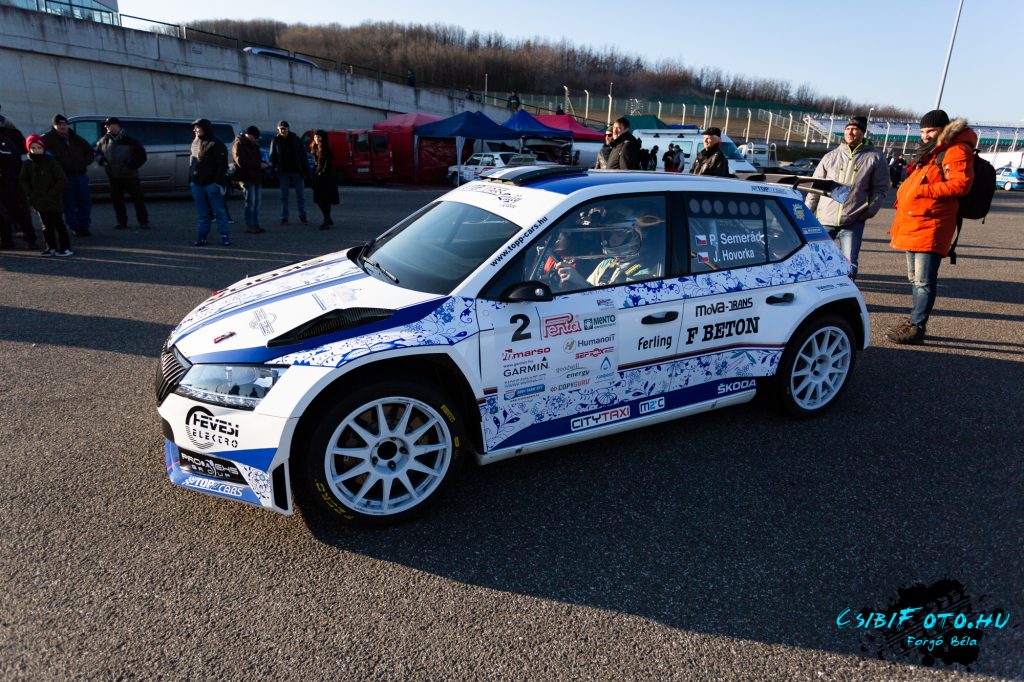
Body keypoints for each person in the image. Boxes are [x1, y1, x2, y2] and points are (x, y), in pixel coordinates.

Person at [886, 109, 976, 345]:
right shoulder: (931, 152)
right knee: (914, 279)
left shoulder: (956, 150)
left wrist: (921, 191)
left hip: (931, 224)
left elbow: (961, 184)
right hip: (916, 222)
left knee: (924, 281)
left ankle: (917, 326)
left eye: (931, 131)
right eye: (923, 131)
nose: (925, 135)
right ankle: (914, 321)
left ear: (943, 130)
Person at [804, 115, 889, 279]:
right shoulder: (830, 156)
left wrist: (868, 211)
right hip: (825, 219)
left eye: (855, 129)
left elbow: (880, 189)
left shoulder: (875, 157)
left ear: (863, 133)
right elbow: (815, 188)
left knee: (849, 263)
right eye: (848, 129)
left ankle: (847, 291)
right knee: (817, 260)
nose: (850, 132)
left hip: (853, 220)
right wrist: (807, 214)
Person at [556, 212, 658, 288]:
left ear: (635, 238)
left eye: (619, 235)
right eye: (610, 234)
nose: (611, 239)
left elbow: (616, 303)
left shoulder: (645, 272)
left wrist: (580, 281)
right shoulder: (606, 264)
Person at [41, 114, 94, 236]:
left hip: (80, 175)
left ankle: (84, 226)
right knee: (68, 203)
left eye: (64, 124)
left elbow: (90, 151)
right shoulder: (48, 139)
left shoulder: (75, 138)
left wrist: (84, 162)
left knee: (85, 201)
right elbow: (41, 154)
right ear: (54, 126)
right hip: (64, 177)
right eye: (59, 124)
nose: (62, 126)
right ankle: (75, 227)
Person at [19, 135, 72, 256]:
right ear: (29, 149)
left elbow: (62, 181)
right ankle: (51, 247)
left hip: (53, 200)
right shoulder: (27, 164)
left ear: (43, 148)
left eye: (39, 147)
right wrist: (30, 193)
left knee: (59, 224)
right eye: (33, 148)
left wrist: (51, 193)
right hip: (38, 200)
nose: (36, 150)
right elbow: (23, 180)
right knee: (46, 226)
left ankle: (65, 248)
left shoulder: (51, 162)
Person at [94, 116, 149, 230]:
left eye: (109, 125)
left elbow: (142, 156)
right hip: (113, 176)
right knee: (117, 201)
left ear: (117, 125)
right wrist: (102, 161)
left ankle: (143, 222)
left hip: (130, 175)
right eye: (106, 125)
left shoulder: (130, 140)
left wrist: (129, 166)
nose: (107, 127)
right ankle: (121, 222)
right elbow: (97, 153)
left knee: (138, 199)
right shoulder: (103, 140)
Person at [188, 118, 230, 246]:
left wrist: (217, 182)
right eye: (194, 127)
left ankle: (225, 237)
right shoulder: (195, 143)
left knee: (219, 212)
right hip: (197, 184)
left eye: (198, 127)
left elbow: (222, 165)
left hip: (212, 184)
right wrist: (191, 180)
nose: (195, 130)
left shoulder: (216, 143)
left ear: (205, 128)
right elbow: (192, 162)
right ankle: (202, 238)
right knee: (203, 214)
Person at [0, 106, 37, 250]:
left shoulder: (10, 135)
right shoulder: (10, 134)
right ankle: (8, 240)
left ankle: (29, 238)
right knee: (7, 213)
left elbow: (19, 158)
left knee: (17, 211)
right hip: (11, 179)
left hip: (11, 180)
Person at [269, 120, 308, 225]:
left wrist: (305, 170)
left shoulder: (296, 139)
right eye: (281, 128)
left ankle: (302, 215)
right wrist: (273, 171)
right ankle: (284, 217)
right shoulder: (275, 140)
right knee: (284, 196)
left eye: (285, 128)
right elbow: (272, 156)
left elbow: (303, 155)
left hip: (297, 171)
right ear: (278, 129)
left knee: (301, 196)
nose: (283, 130)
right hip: (283, 172)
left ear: (288, 129)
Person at [232, 125, 268, 234]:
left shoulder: (254, 144)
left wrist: (264, 164)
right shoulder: (239, 144)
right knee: (250, 203)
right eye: (255, 137)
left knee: (257, 203)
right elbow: (241, 161)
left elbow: (256, 159)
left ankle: (255, 224)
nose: (256, 139)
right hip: (246, 177)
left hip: (257, 177)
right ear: (249, 135)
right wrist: (259, 165)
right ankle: (250, 225)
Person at [310, 130, 339, 230]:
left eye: (319, 137)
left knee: (324, 200)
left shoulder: (326, 148)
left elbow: (328, 163)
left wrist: (321, 172)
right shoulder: (315, 147)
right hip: (318, 177)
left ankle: (326, 220)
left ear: (323, 138)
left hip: (326, 178)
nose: (316, 139)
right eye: (315, 137)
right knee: (319, 200)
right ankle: (328, 218)